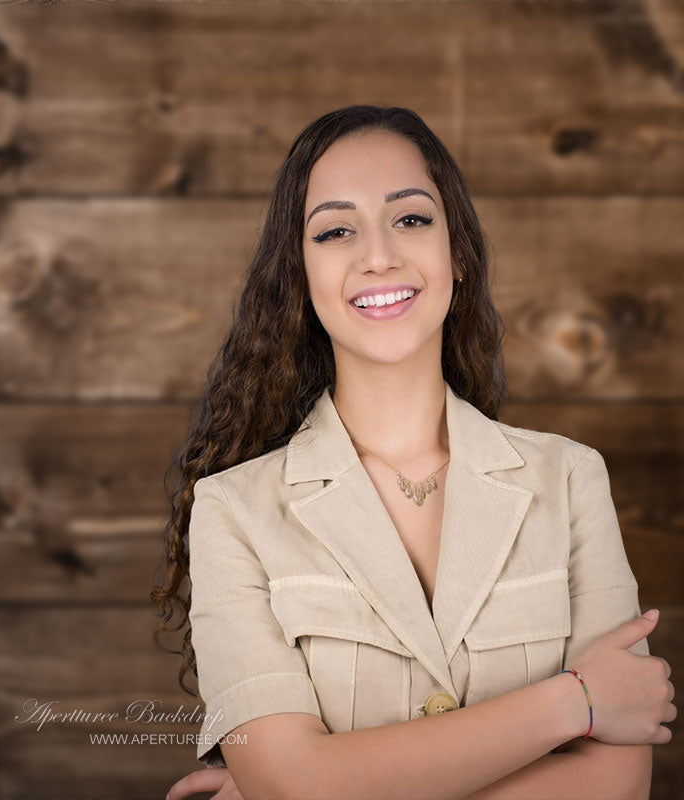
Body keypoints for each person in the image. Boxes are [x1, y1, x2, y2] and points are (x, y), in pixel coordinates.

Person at [154, 105, 675, 800]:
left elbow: (616, 786)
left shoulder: (571, 480)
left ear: (456, 252)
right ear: (300, 278)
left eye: (411, 218)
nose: (379, 255)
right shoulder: (232, 512)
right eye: (335, 231)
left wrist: (322, 785)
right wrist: (574, 702)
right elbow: (292, 785)